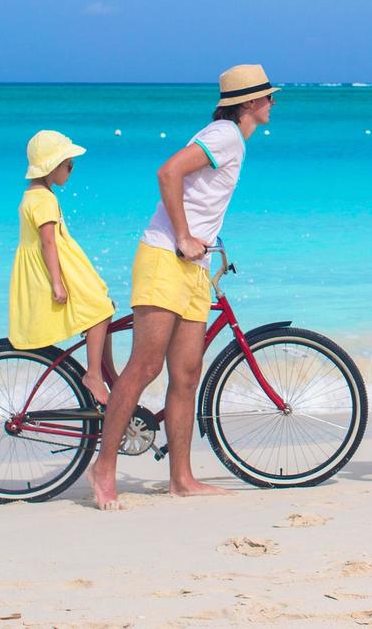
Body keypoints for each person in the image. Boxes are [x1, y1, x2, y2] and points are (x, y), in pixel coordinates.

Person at [89, 64, 277, 511]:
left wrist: (203, 245)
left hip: (193, 267)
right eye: (270, 97)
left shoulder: (233, 141)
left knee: (187, 374)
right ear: (250, 102)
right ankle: (104, 467)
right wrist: (182, 236)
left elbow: (200, 197)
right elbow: (168, 173)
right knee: (146, 366)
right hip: (164, 258)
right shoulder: (224, 135)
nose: (273, 104)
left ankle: (182, 478)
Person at [8, 130, 117, 403]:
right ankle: (95, 373)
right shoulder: (45, 199)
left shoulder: (32, 195)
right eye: (69, 164)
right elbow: (48, 243)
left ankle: (107, 372)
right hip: (58, 267)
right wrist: (57, 283)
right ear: (52, 166)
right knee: (101, 310)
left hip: (56, 264)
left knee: (104, 308)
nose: (71, 169)